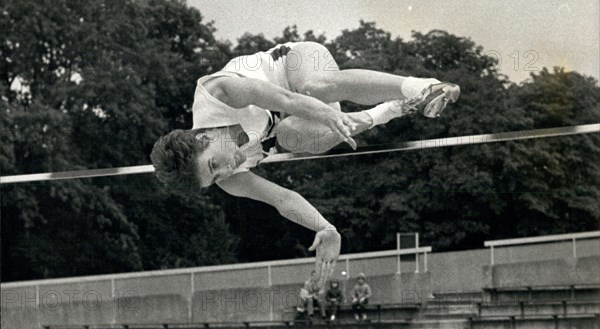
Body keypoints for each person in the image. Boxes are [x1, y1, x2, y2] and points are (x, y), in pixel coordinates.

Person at [151, 41, 460, 284]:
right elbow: (283, 199)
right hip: (304, 115)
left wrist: (328, 114)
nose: (226, 171)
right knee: (292, 138)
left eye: (213, 166)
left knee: (314, 89)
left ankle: (421, 86)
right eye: (215, 179)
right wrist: (325, 227)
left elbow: (286, 100)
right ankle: (388, 111)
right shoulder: (231, 181)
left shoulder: (217, 94)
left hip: (298, 64)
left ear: (202, 140)